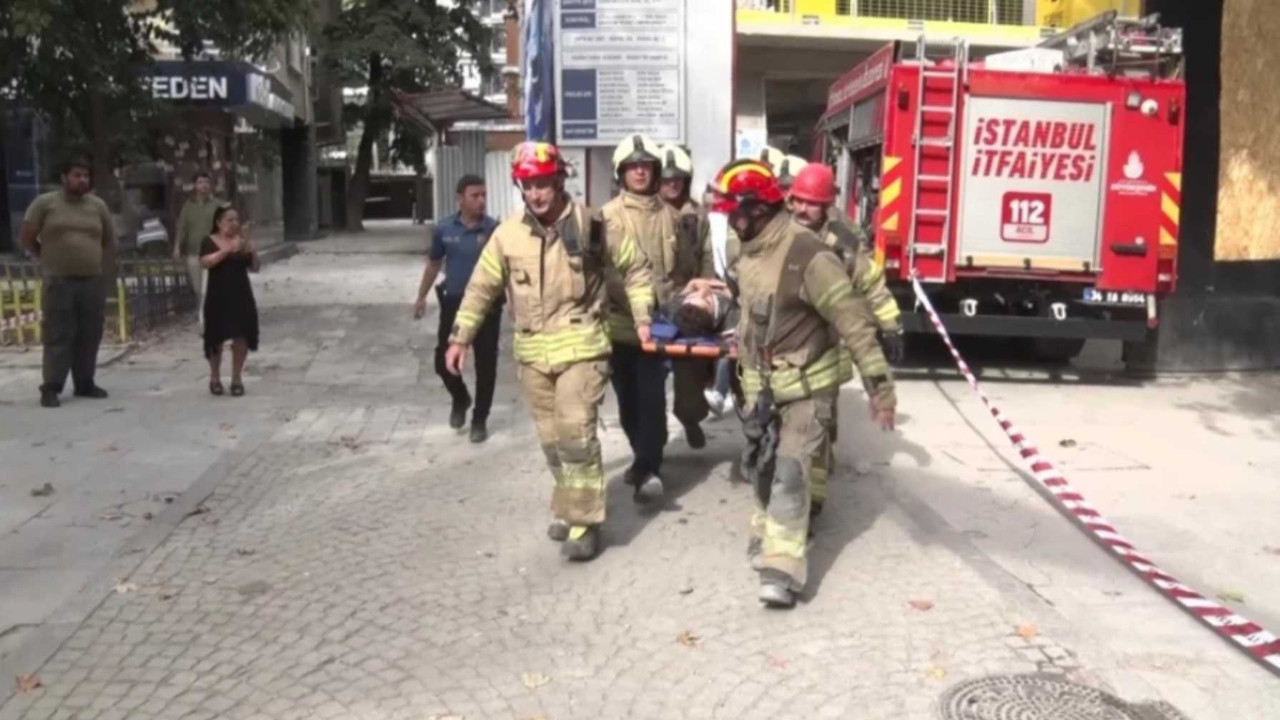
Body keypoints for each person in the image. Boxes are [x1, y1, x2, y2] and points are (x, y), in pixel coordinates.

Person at [444, 142, 654, 561]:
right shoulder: (507, 235)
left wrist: (643, 316)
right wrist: (460, 336)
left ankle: (585, 523)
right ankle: (567, 500)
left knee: (575, 433)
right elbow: (482, 287)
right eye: (528, 185)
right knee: (551, 440)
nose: (537, 193)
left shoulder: (593, 224)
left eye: (543, 184)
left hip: (583, 346)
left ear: (559, 181)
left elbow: (635, 267)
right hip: (532, 353)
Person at [710, 159, 896, 608]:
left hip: (808, 388)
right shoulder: (748, 250)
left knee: (792, 472)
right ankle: (770, 530)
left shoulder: (810, 256)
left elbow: (853, 320)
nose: (730, 223)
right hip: (761, 388)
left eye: (734, 213)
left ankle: (781, 567)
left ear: (756, 210)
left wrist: (880, 389)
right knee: (764, 467)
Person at [788, 162, 905, 516]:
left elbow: (871, 286)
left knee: (821, 427)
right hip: (782, 350)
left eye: (812, 203)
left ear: (826, 206)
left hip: (826, 350)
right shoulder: (777, 235)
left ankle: (815, 501)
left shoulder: (843, 244)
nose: (803, 209)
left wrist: (891, 325)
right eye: (799, 201)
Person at [603, 135, 713, 503]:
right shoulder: (607, 217)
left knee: (652, 401)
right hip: (620, 327)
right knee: (627, 404)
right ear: (621, 172)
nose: (640, 171)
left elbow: (683, 270)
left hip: (661, 328)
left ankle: (649, 465)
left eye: (646, 166)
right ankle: (642, 457)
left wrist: (693, 292)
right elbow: (603, 274)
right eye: (633, 166)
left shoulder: (674, 217)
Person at [20, 156, 116, 408]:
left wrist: (99, 267)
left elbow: (107, 240)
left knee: (90, 332)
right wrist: (47, 258)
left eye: (85, 176)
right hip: (59, 281)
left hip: (91, 280)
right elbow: (27, 238)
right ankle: (51, 386)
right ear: (64, 177)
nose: (82, 180)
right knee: (58, 333)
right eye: (76, 175)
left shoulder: (98, 206)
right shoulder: (45, 204)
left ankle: (85, 382)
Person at [413, 174, 501, 443]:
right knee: (443, 362)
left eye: (484, 195)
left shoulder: (493, 229)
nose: (481, 201)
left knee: (487, 365)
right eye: (475, 196)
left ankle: (479, 419)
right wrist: (420, 297)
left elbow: (505, 269)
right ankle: (460, 397)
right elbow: (434, 264)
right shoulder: (444, 229)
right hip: (453, 303)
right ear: (460, 198)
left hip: (488, 306)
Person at [200, 205, 260, 397]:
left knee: (241, 335)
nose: (234, 224)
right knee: (215, 338)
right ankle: (215, 377)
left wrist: (252, 250)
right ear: (218, 223)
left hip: (241, 294)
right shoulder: (209, 241)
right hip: (217, 296)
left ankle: (236, 378)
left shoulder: (242, 242)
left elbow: (255, 267)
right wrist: (227, 250)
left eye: (237, 220)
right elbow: (205, 262)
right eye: (229, 220)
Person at [174, 172, 222, 295]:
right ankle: (202, 312)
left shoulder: (217, 205)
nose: (204, 185)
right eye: (200, 182)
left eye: (206, 182)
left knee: (211, 289)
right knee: (198, 289)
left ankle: (211, 313)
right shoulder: (188, 206)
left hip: (213, 253)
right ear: (195, 185)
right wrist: (177, 247)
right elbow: (182, 227)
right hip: (193, 253)